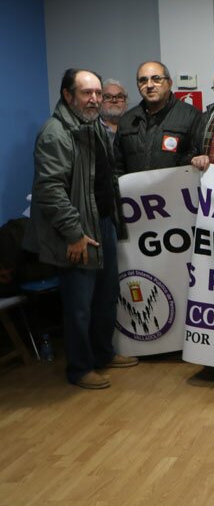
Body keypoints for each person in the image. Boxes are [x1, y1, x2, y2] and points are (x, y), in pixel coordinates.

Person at [24, 68, 137, 390]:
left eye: (98, 93)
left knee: (106, 296)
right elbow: (50, 190)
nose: (95, 99)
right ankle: (80, 367)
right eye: (87, 93)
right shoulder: (56, 133)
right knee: (79, 307)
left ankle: (103, 353)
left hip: (102, 224)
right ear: (67, 95)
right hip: (77, 232)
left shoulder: (94, 127)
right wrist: (73, 233)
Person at [114, 60, 201, 174]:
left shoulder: (191, 116)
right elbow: (117, 166)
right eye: (143, 80)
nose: (149, 85)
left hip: (176, 189)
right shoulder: (127, 120)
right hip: (136, 191)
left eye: (156, 79)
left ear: (169, 83)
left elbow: (198, 158)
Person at [99, 78, 128, 144]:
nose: (114, 100)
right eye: (108, 97)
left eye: (119, 96)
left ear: (126, 102)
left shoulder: (136, 127)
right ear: (99, 102)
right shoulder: (90, 129)